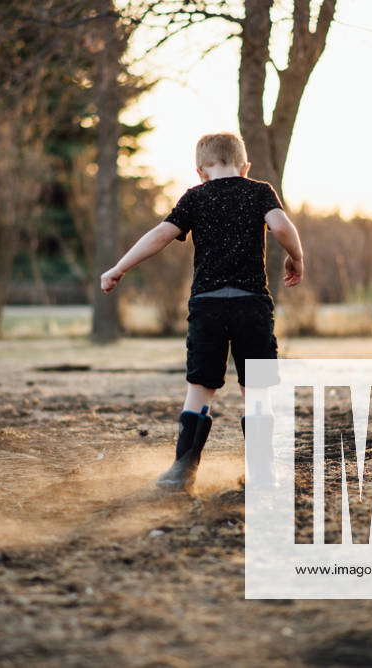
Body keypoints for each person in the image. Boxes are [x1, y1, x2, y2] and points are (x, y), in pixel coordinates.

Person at [99, 132, 304, 493]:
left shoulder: (195, 197)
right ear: (245, 166)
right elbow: (282, 226)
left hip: (207, 305)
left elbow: (160, 235)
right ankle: (262, 473)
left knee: (199, 388)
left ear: (200, 171)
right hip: (251, 304)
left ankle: (181, 470)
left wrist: (119, 268)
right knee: (256, 391)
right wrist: (296, 258)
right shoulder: (260, 191)